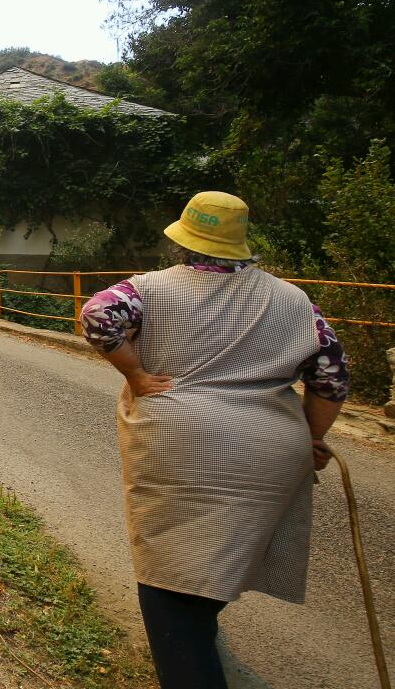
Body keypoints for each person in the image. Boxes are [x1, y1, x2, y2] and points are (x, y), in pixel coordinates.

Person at [80, 191, 349, 689]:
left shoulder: (150, 288)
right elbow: (332, 378)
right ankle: (200, 633)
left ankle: (191, 660)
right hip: (273, 444)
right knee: (228, 547)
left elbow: (98, 315)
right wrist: (311, 439)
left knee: (168, 576)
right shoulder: (294, 301)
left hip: (180, 439)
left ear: (183, 239)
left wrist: (136, 374)